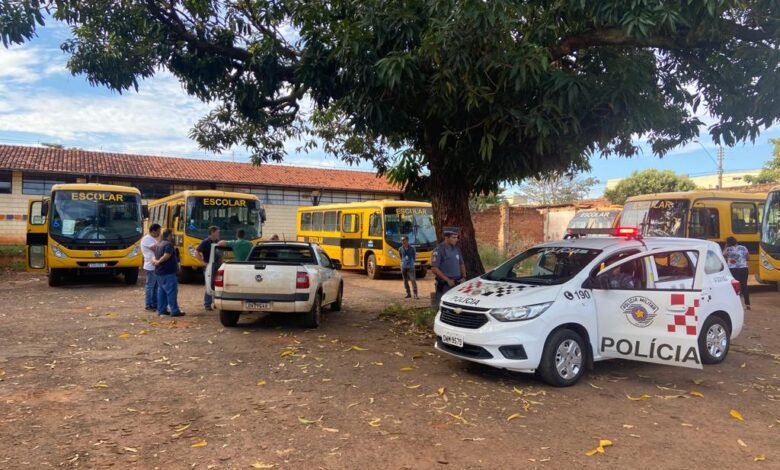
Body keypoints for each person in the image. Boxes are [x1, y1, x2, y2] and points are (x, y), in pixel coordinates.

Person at [152, 229, 185, 317]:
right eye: (173, 235)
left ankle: (162, 310)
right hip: (168, 272)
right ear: (169, 236)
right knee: (171, 291)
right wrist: (159, 261)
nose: (173, 237)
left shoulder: (159, 244)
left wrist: (155, 262)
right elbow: (167, 255)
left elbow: (153, 256)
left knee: (161, 291)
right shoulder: (168, 244)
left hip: (159, 271)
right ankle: (174, 310)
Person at [431, 229, 467, 304]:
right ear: (446, 238)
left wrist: (464, 277)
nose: (456, 240)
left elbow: (461, 263)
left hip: (457, 282)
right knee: (443, 305)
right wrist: (447, 280)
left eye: (457, 237)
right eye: (453, 238)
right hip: (445, 284)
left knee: (456, 306)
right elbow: (434, 268)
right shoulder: (439, 250)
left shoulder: (457, 249)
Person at [723, 236, 751, 310]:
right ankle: (747, 304)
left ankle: (736, 305)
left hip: (733, 269)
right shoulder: (743, 248)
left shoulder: (728, 249)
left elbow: (723, 255)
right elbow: (748, 258)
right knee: (744, 286)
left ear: (728, 243)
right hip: (743, 269)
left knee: (734, 287)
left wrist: (726, 246)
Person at [197, 226, 220, 311]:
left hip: (216, 265)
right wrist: (203, 263)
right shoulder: (206, 242)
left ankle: (215, 302)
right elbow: (197, 252)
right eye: (217, 232)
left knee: (216, 284)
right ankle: (207, 303)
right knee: (209, 284)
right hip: (209, 266)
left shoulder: (218, 242)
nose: (218, 234)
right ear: (213, 232)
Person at [141, 223, 161, 311]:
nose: (159, 233)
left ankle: (154, 303)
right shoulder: (147, 239)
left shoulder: (153, 239)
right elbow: (156, 249)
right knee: (150, 286)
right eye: (159, 231)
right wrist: (162, 242)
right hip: (151, 265)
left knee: (156, 286)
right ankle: (148, 304)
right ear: (153, 231)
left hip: (155, 265)